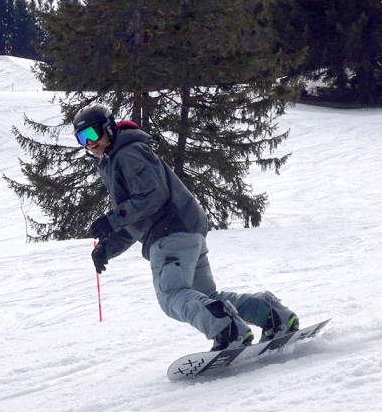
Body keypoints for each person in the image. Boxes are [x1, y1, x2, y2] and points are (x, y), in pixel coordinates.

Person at [73, 103, 299, 350]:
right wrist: (108, 247)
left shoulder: (127, 153)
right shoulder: (118, 157)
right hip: (183, 230)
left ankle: (227, 329)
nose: (89, 142)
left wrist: (113, 218)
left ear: (108, 128)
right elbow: (138, 218)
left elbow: (152, 196)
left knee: (171, 295)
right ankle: (271, 314)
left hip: (169, 232)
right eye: (82, 138)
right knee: (207, 298)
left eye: (93, 133)